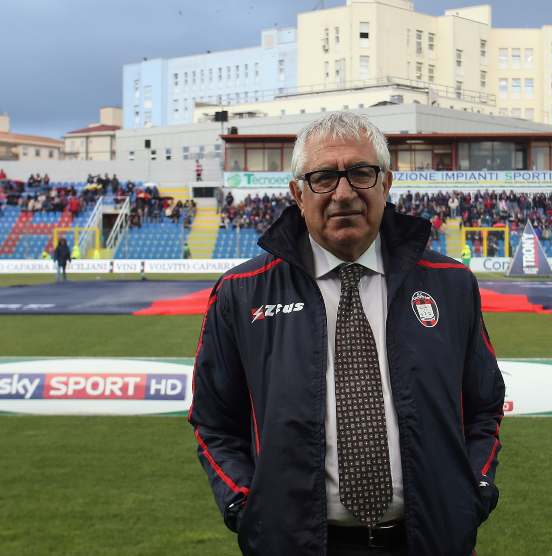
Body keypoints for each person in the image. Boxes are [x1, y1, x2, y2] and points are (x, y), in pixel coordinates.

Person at [189, 112, 505, 556]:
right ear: (298, 193)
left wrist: (473, 489)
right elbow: (214, 420)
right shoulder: (240, 294)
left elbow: (484, 406)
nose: (343, 193)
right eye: (323, 177)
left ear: (386, 183)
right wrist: (245, 504)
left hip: (433, 541)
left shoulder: (450, 285)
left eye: (360, 173)